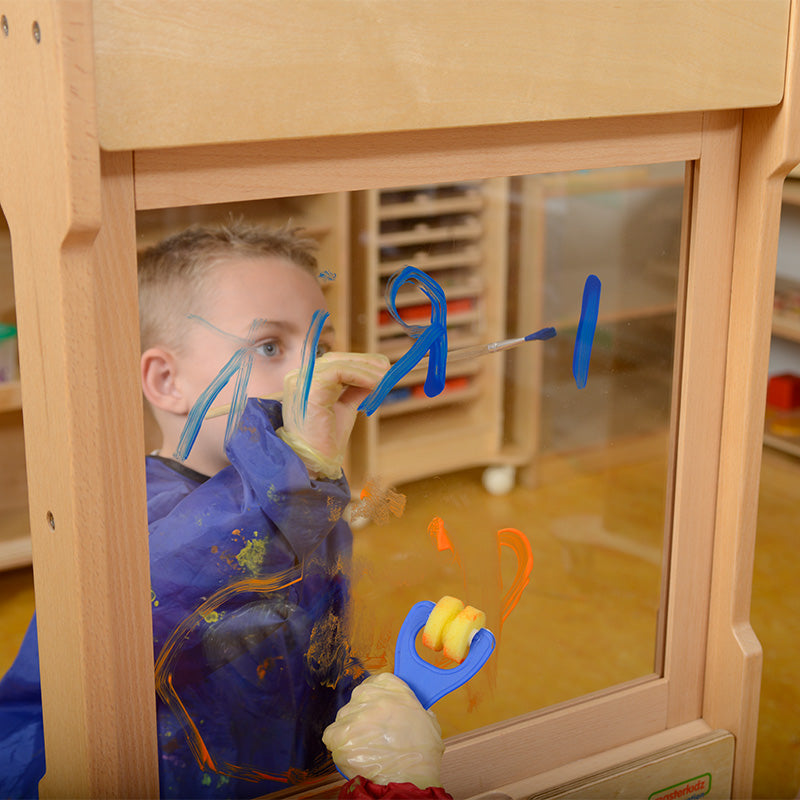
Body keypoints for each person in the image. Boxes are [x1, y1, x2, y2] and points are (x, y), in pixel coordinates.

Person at [0, 222, 388, 798]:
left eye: (321, 348)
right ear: (167, 381)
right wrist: (302, 470)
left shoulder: (303, 495)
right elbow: (190, 579)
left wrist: (363, 698)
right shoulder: (129, 518)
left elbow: (308, 631)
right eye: (269, 347)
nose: (312, 374)